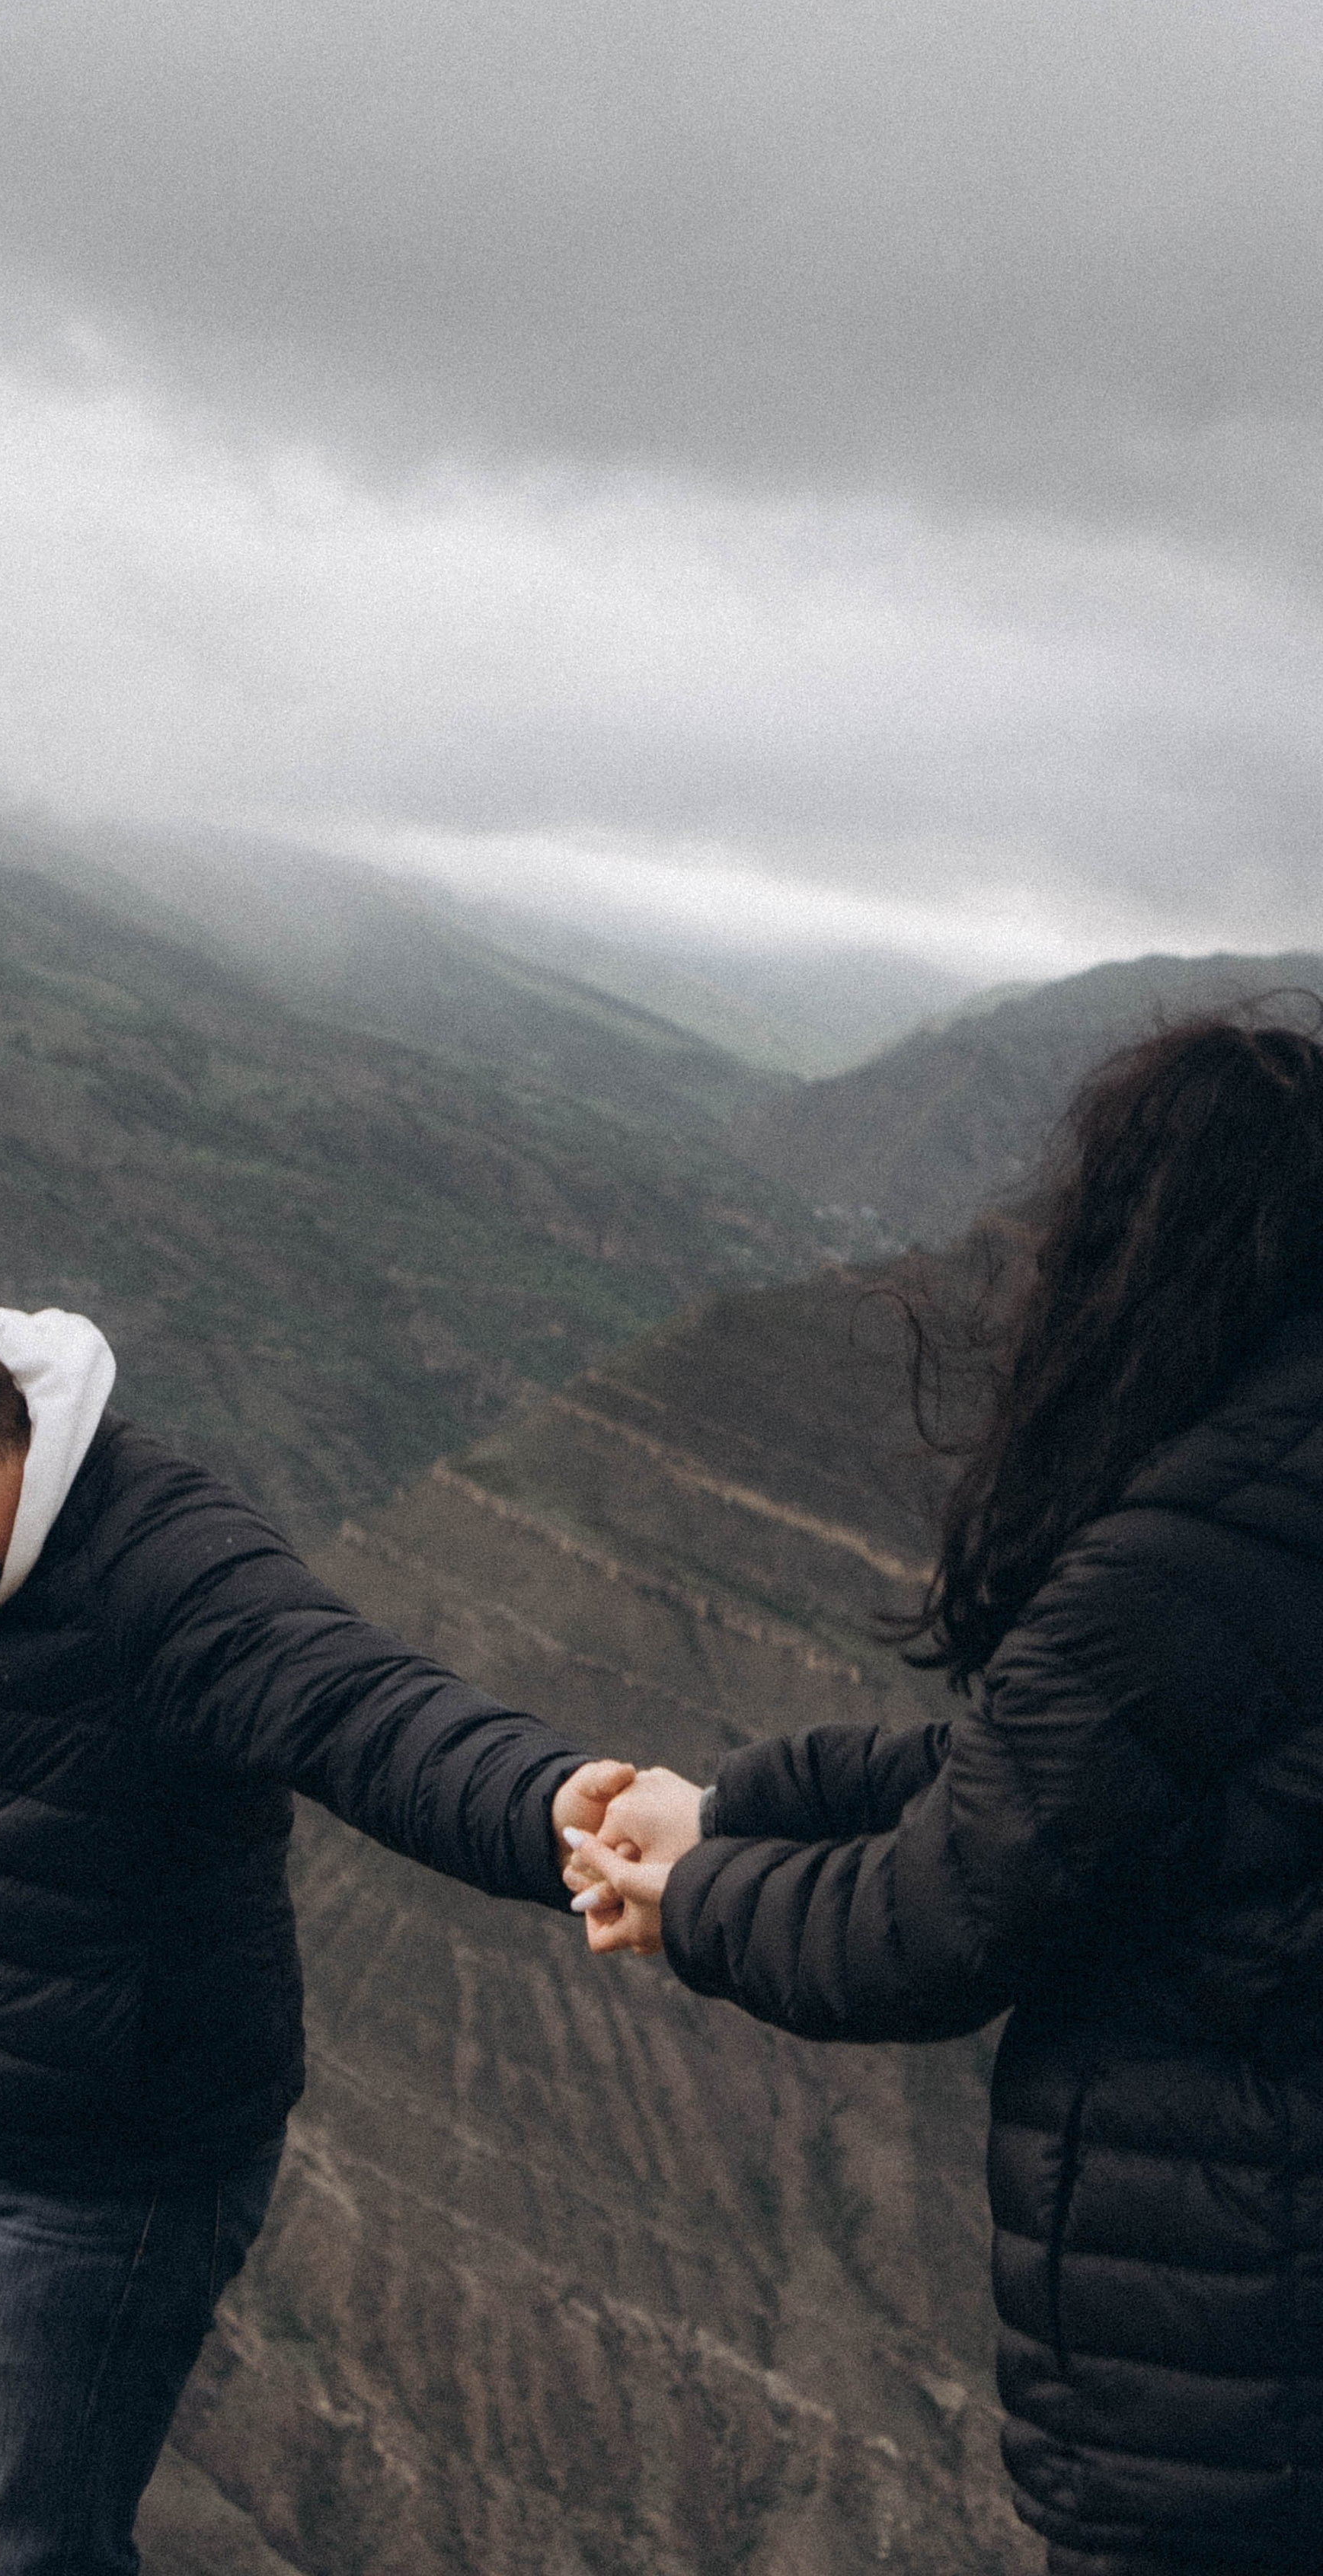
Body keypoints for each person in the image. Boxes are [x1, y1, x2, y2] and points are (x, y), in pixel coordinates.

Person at [0, 1286, 628, 2576]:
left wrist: (551, 1809)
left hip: (120, 2173)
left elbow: (365, 1708)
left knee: (31, 2554)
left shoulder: (171, 1572)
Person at [564, 1016, 1323, 2576]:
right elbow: (1061, 1784)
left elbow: (933, 1924)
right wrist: (742, 1807)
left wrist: (685, 1897)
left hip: (1220, 2383)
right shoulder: (1276, 1509)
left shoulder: (1188, 1559)